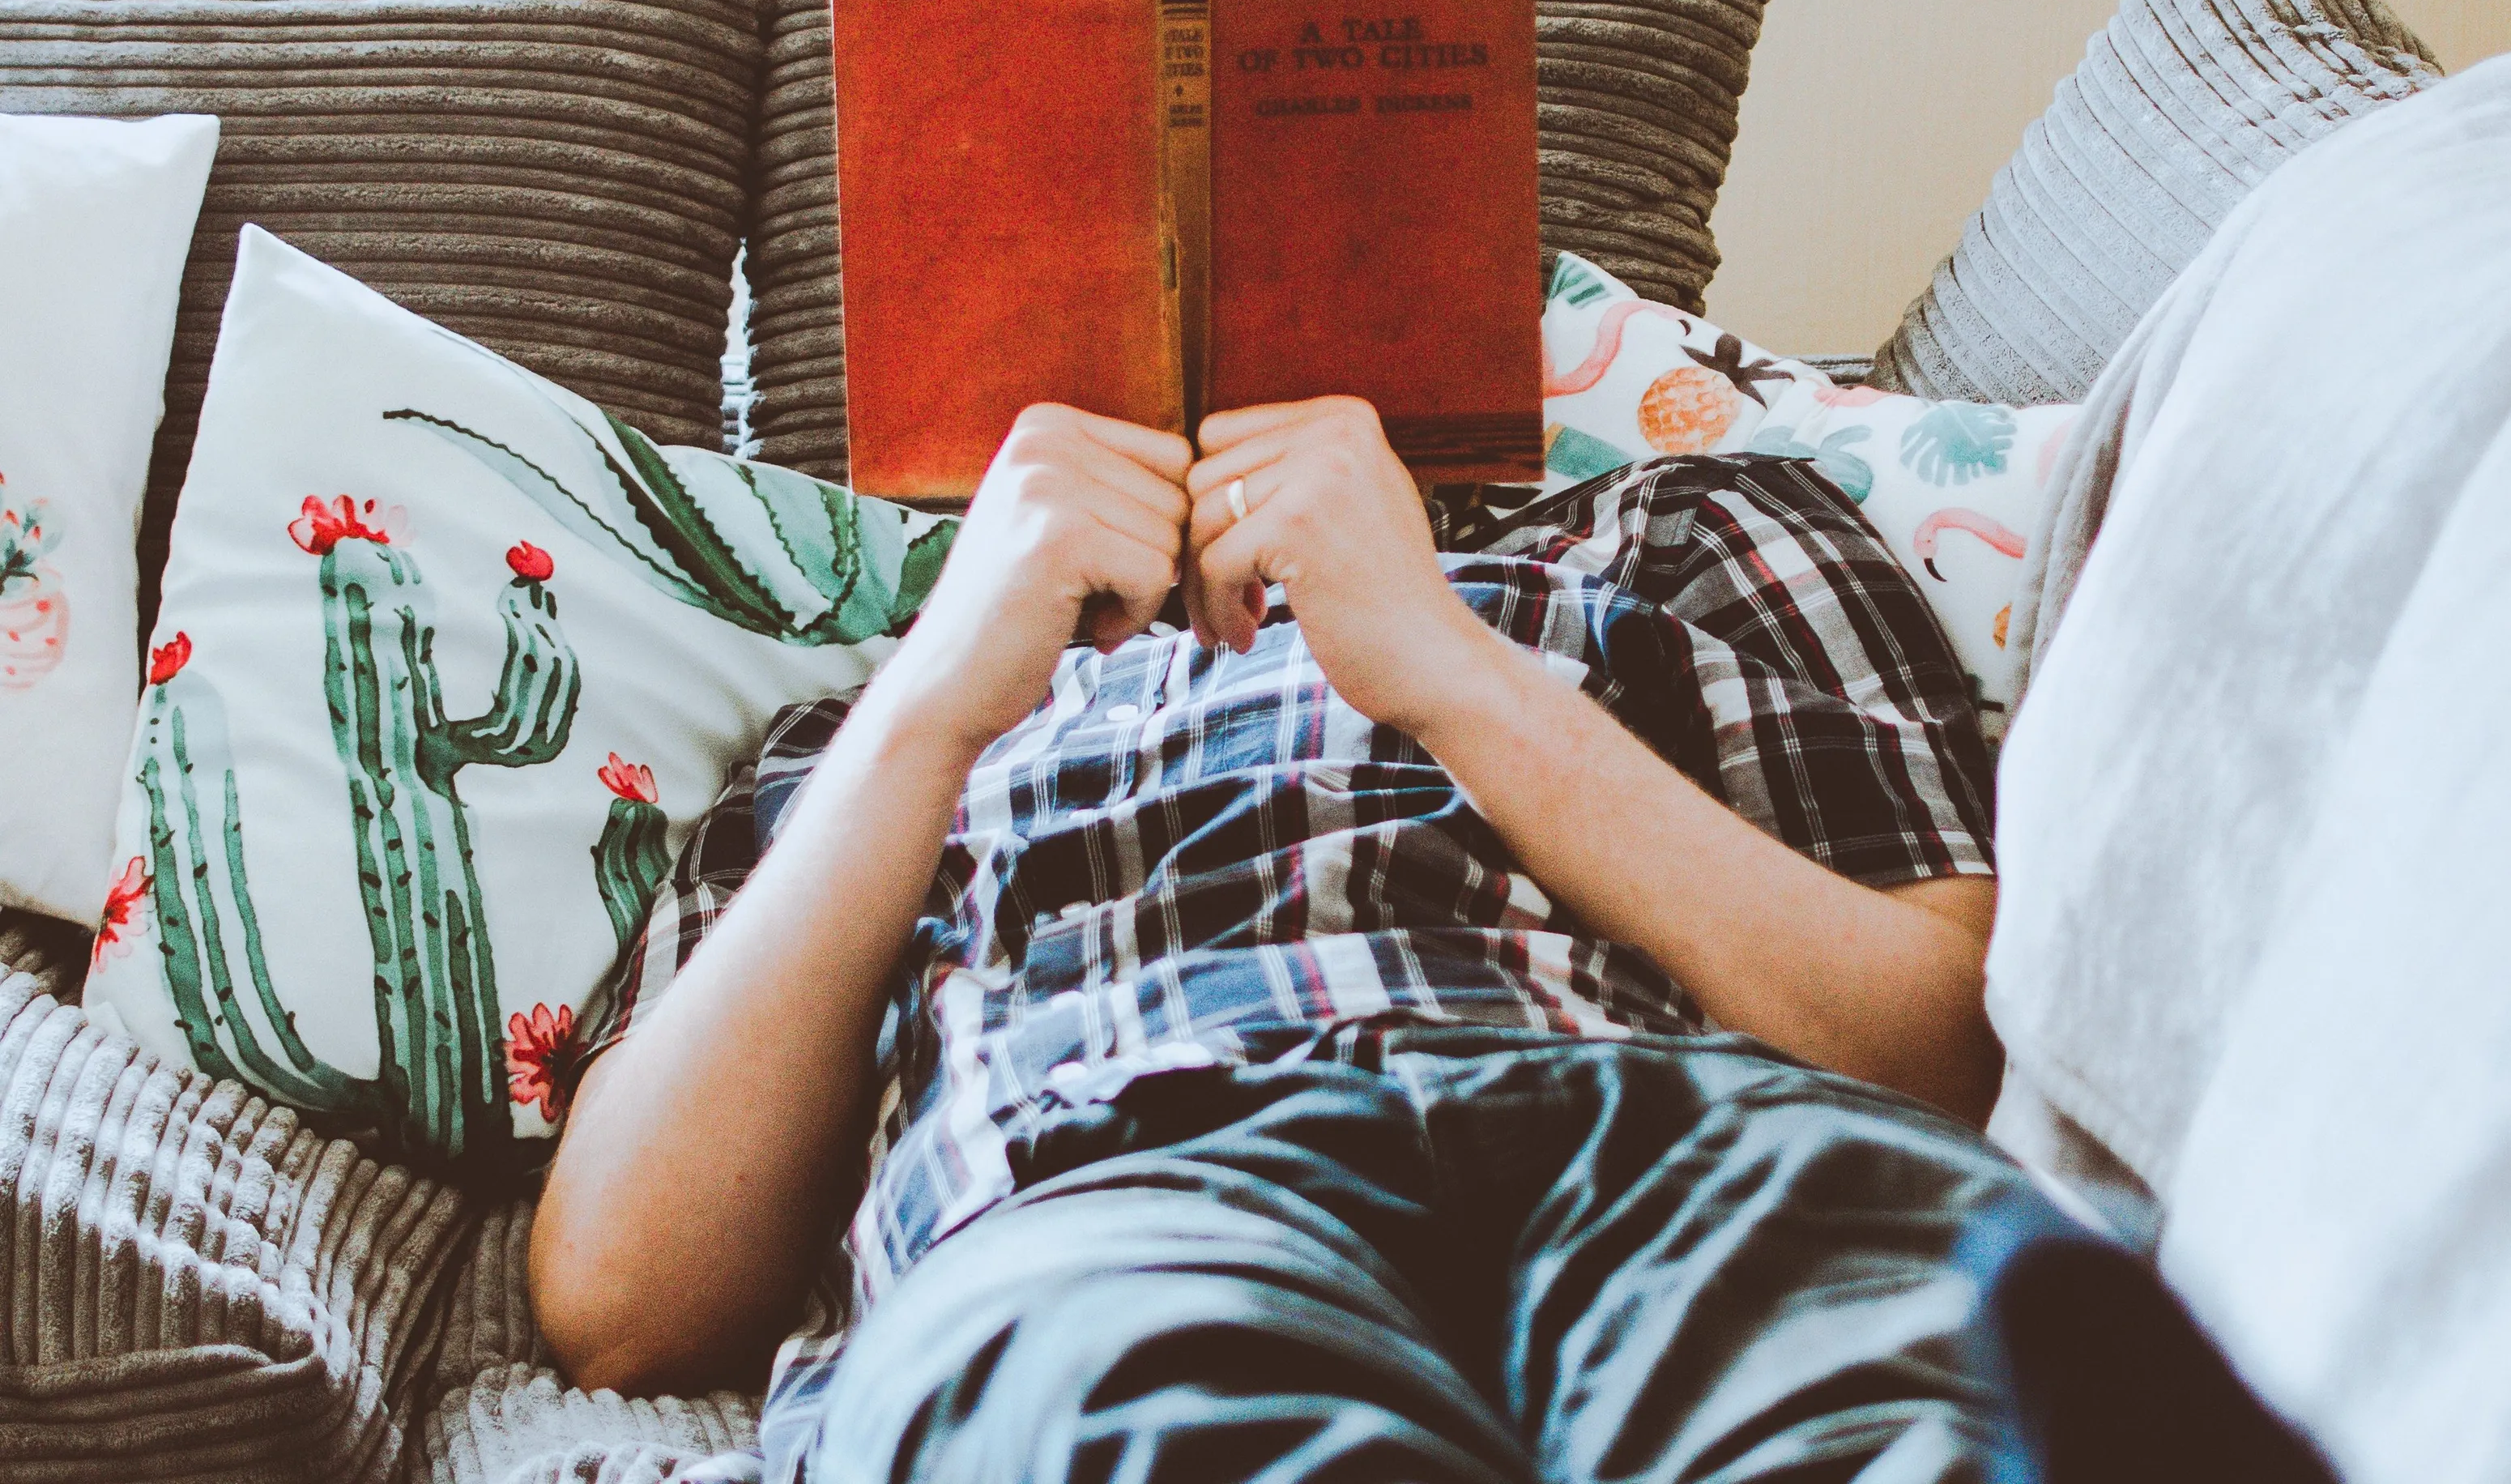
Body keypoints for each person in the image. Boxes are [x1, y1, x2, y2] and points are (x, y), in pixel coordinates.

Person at [527, 398, 2325, 1483]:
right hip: (1107, 1178)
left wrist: (1442, 656)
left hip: (1678, 1133)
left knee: (1887, 1389)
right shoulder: (853, 737)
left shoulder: (1695, 524)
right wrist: (930, 700)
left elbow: (1946, 1055)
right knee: (1138, 1412)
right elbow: (621, 1300)